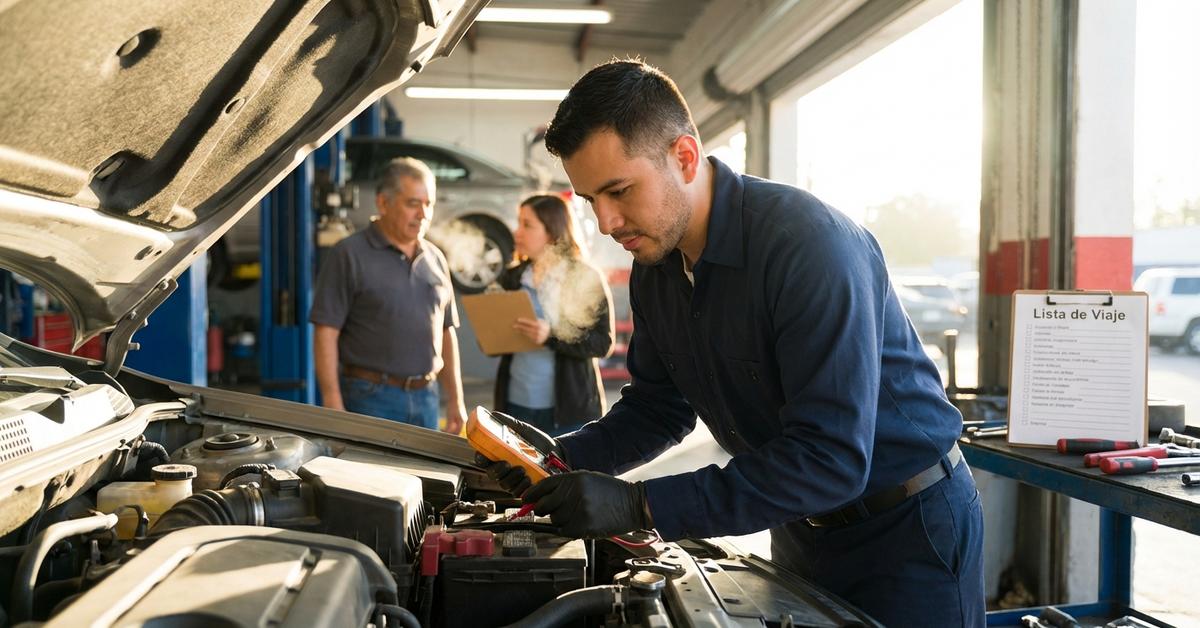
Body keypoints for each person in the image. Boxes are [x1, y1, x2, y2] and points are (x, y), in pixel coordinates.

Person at [480, 60, 985, 626]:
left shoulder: (809, 248)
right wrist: (556, 458)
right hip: (798, 526)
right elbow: (657, 409)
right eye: (590, 200)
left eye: (619, 191)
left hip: (907, 532)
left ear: (685, 157)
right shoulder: (656, 267)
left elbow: (831, 457)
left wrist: (638, 505)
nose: (605, 223)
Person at [311, 157, 466, 433]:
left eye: (428, 204)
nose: (423, 214)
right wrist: (332, 400)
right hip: (369, 399)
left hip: (427, 399)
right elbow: (326, 331)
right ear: (383, 203)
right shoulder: (349, 254)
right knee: (371, 477)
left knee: (425, 476)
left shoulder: (435, 258)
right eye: (412, 203)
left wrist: (456, 400)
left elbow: (446, 332)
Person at [492, 194, 615, 435]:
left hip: (569, 412)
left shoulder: (584, 278)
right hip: (515, 405)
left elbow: (602, 344)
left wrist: (551, 336)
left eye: (527, 225)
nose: (517, 232)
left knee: (564, 473)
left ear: (552, 231)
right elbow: (496, 344)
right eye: (519, 223)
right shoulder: (512, 278)